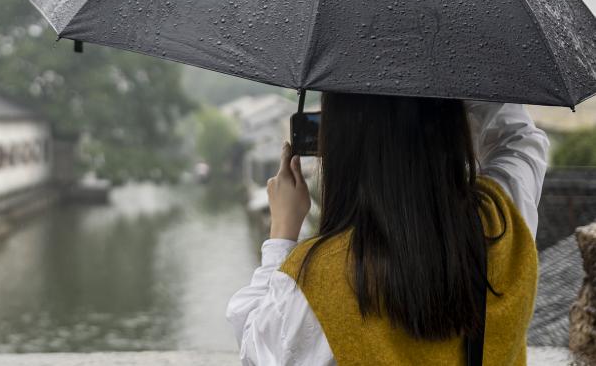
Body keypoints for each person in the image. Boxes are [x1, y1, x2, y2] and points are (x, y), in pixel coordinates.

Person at [225, 92, 550, 365]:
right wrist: (450, 78)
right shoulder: (500, 220)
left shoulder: (317, 281)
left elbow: (257, 347)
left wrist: (282, 231)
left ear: (341, 142)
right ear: (451, 128)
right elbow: (518, 138)